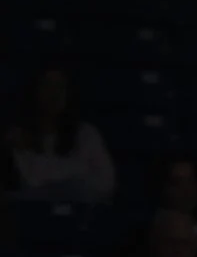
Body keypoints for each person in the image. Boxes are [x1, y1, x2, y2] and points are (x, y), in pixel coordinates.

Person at [6, 64, 115, 205]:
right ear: (36, 91)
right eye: (48, 85)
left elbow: (106, 184)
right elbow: (29, 183)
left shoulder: (87, 134)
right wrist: (79, 170)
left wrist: (53, 178)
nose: (54, 93)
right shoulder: (19, 136)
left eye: (59, 87)